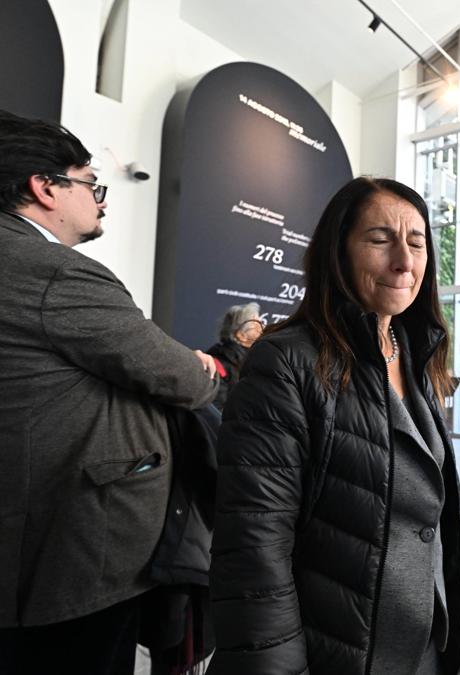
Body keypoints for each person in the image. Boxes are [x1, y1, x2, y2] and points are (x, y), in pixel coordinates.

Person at [209, 177, 460, 674]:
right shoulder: (287, 360)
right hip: (341, 650)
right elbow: (256, 544)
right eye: (380, 240)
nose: (404, 261)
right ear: (338, 252)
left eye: (416, 243)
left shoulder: (417, 355)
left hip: (424, 645)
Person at [0, 109, 219, 675]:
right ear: (44, 188)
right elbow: (183, 378)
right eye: (91, 183)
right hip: (64, 558)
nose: (101, 198)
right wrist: (197, 364)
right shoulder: (56, 272)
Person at [206, 301, 264, 410]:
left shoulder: (258, 359)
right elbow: (216, 411)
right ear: (241, 335)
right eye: (256, 325)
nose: (262, 328)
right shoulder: (217, 365)